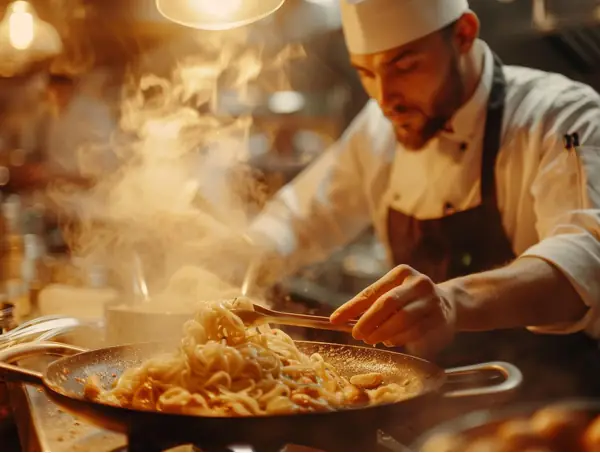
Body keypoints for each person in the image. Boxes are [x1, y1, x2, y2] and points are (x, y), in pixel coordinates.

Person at [243, 0, 600, 398]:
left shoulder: (561, 114)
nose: (385, 97)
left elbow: (584, 259)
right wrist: (240, 257)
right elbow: (299, 218)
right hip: (422, 399)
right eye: (366, 72)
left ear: (463, 34)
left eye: (405, 66)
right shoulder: (380, 125)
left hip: (552, 400)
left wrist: (452, 300)